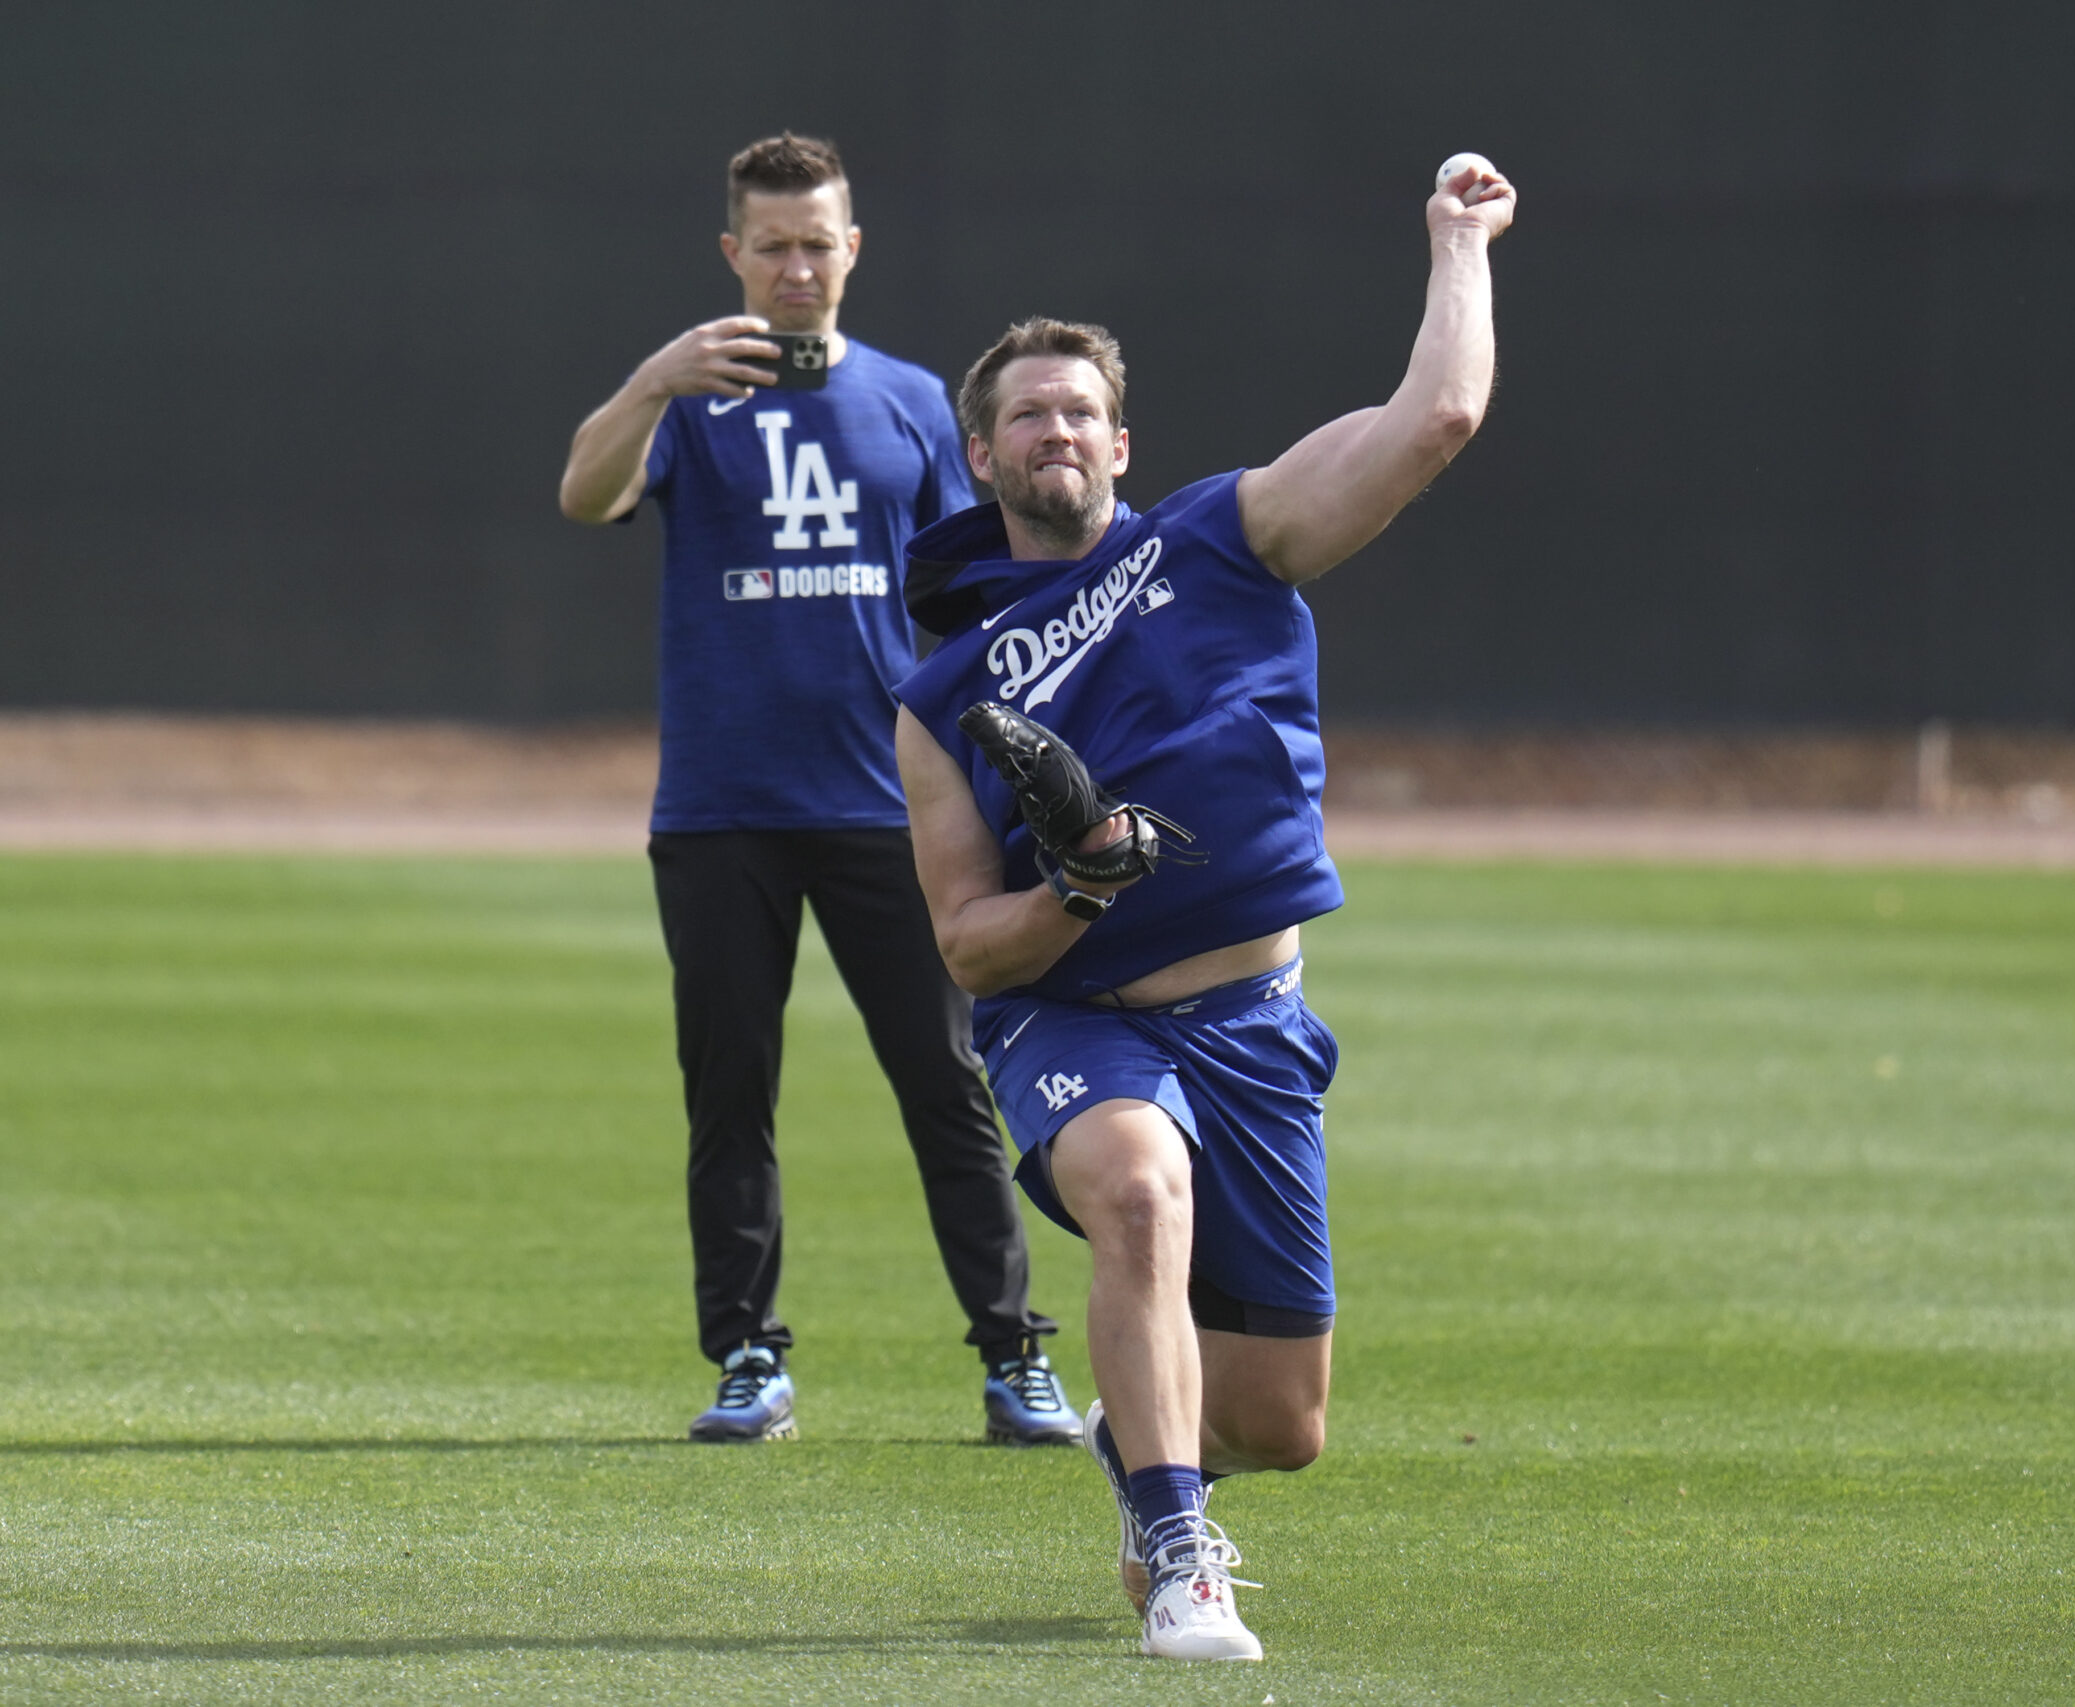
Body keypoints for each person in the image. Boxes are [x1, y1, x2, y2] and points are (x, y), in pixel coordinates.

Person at [893, 156, 1516, 1660]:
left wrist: (1457, 242)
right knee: (1137, 1192)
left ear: (1123, 443)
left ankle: (1149, 1439)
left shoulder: (1223, 536)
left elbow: (1433, 419)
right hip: (1077, 1016)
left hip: (1254, 1023)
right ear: (982, 456)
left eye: (1081, 409)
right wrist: (1077, 887)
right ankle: (1180, 1550)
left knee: (1281, 1425)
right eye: (1027, 412)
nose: (1058, 428)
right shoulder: (944, 697)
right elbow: (969, 943)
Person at [556, 132, 1076, 1448]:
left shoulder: (905, 402)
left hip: (891, 807)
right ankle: (746, 1355)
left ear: (855, 248)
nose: (796, 267)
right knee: (731, 1090)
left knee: (949, 1082)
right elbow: (582, 494)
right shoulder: (686, 402)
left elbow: (979, 584)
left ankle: (1015, 1356)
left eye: (817, 241)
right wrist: (652, 380)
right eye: (771, 244)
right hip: (723, 808)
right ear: (734, 255)